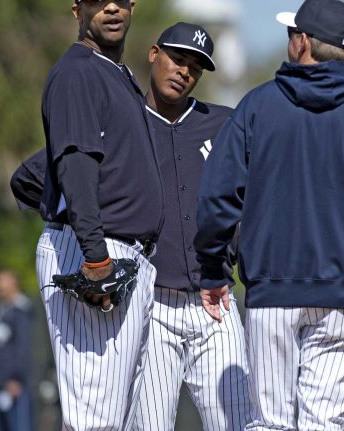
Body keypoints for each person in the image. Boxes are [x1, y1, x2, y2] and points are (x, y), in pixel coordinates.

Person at [194, 0, 344, 429]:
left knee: (269, 424)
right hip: (343, 300)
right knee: (324, 423)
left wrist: (213, 268)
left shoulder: (257, 107)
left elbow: (217, 198)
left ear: (302, 42)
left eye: (290, 34)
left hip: (271, 296)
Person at [35, 0, 163, 429]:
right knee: (96, 419)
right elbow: (74, 165)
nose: (110, 7)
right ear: (77, 9)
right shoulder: (78, 71)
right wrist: (94, 258)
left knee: (123, 419)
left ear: (133, 6)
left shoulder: (116, 73)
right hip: (95, 251)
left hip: (123, 253)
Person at [132, 22, 253, 431]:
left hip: (215, 303)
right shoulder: (124, 121)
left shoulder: (225, 124)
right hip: (149, 305)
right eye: (177, 58)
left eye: (195, 67)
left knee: (241, 423)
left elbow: (261, 192)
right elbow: (46, 172)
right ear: (154, 53)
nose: (184, 70)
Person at [0, 270, 34, 431]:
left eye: (4, 281)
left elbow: (23, 347)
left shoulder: (21, 311)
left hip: (14, 385)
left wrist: (15, 378)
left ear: (14, 283)